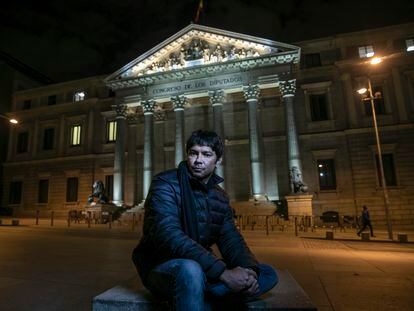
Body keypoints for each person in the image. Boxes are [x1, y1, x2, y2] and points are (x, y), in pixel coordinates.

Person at [132, 130, 278, 310]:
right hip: (161, 266)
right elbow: (168, 236)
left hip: (203, 265)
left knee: (266, 273)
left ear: (218, 160)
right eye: (193, 153)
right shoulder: (165, 184)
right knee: (190, 270)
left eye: (206, 154)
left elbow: (231, 239)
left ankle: (206, 294)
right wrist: (223, 273)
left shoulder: (220, 196)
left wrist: (248, 270)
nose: (198, 160)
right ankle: (212, 293)